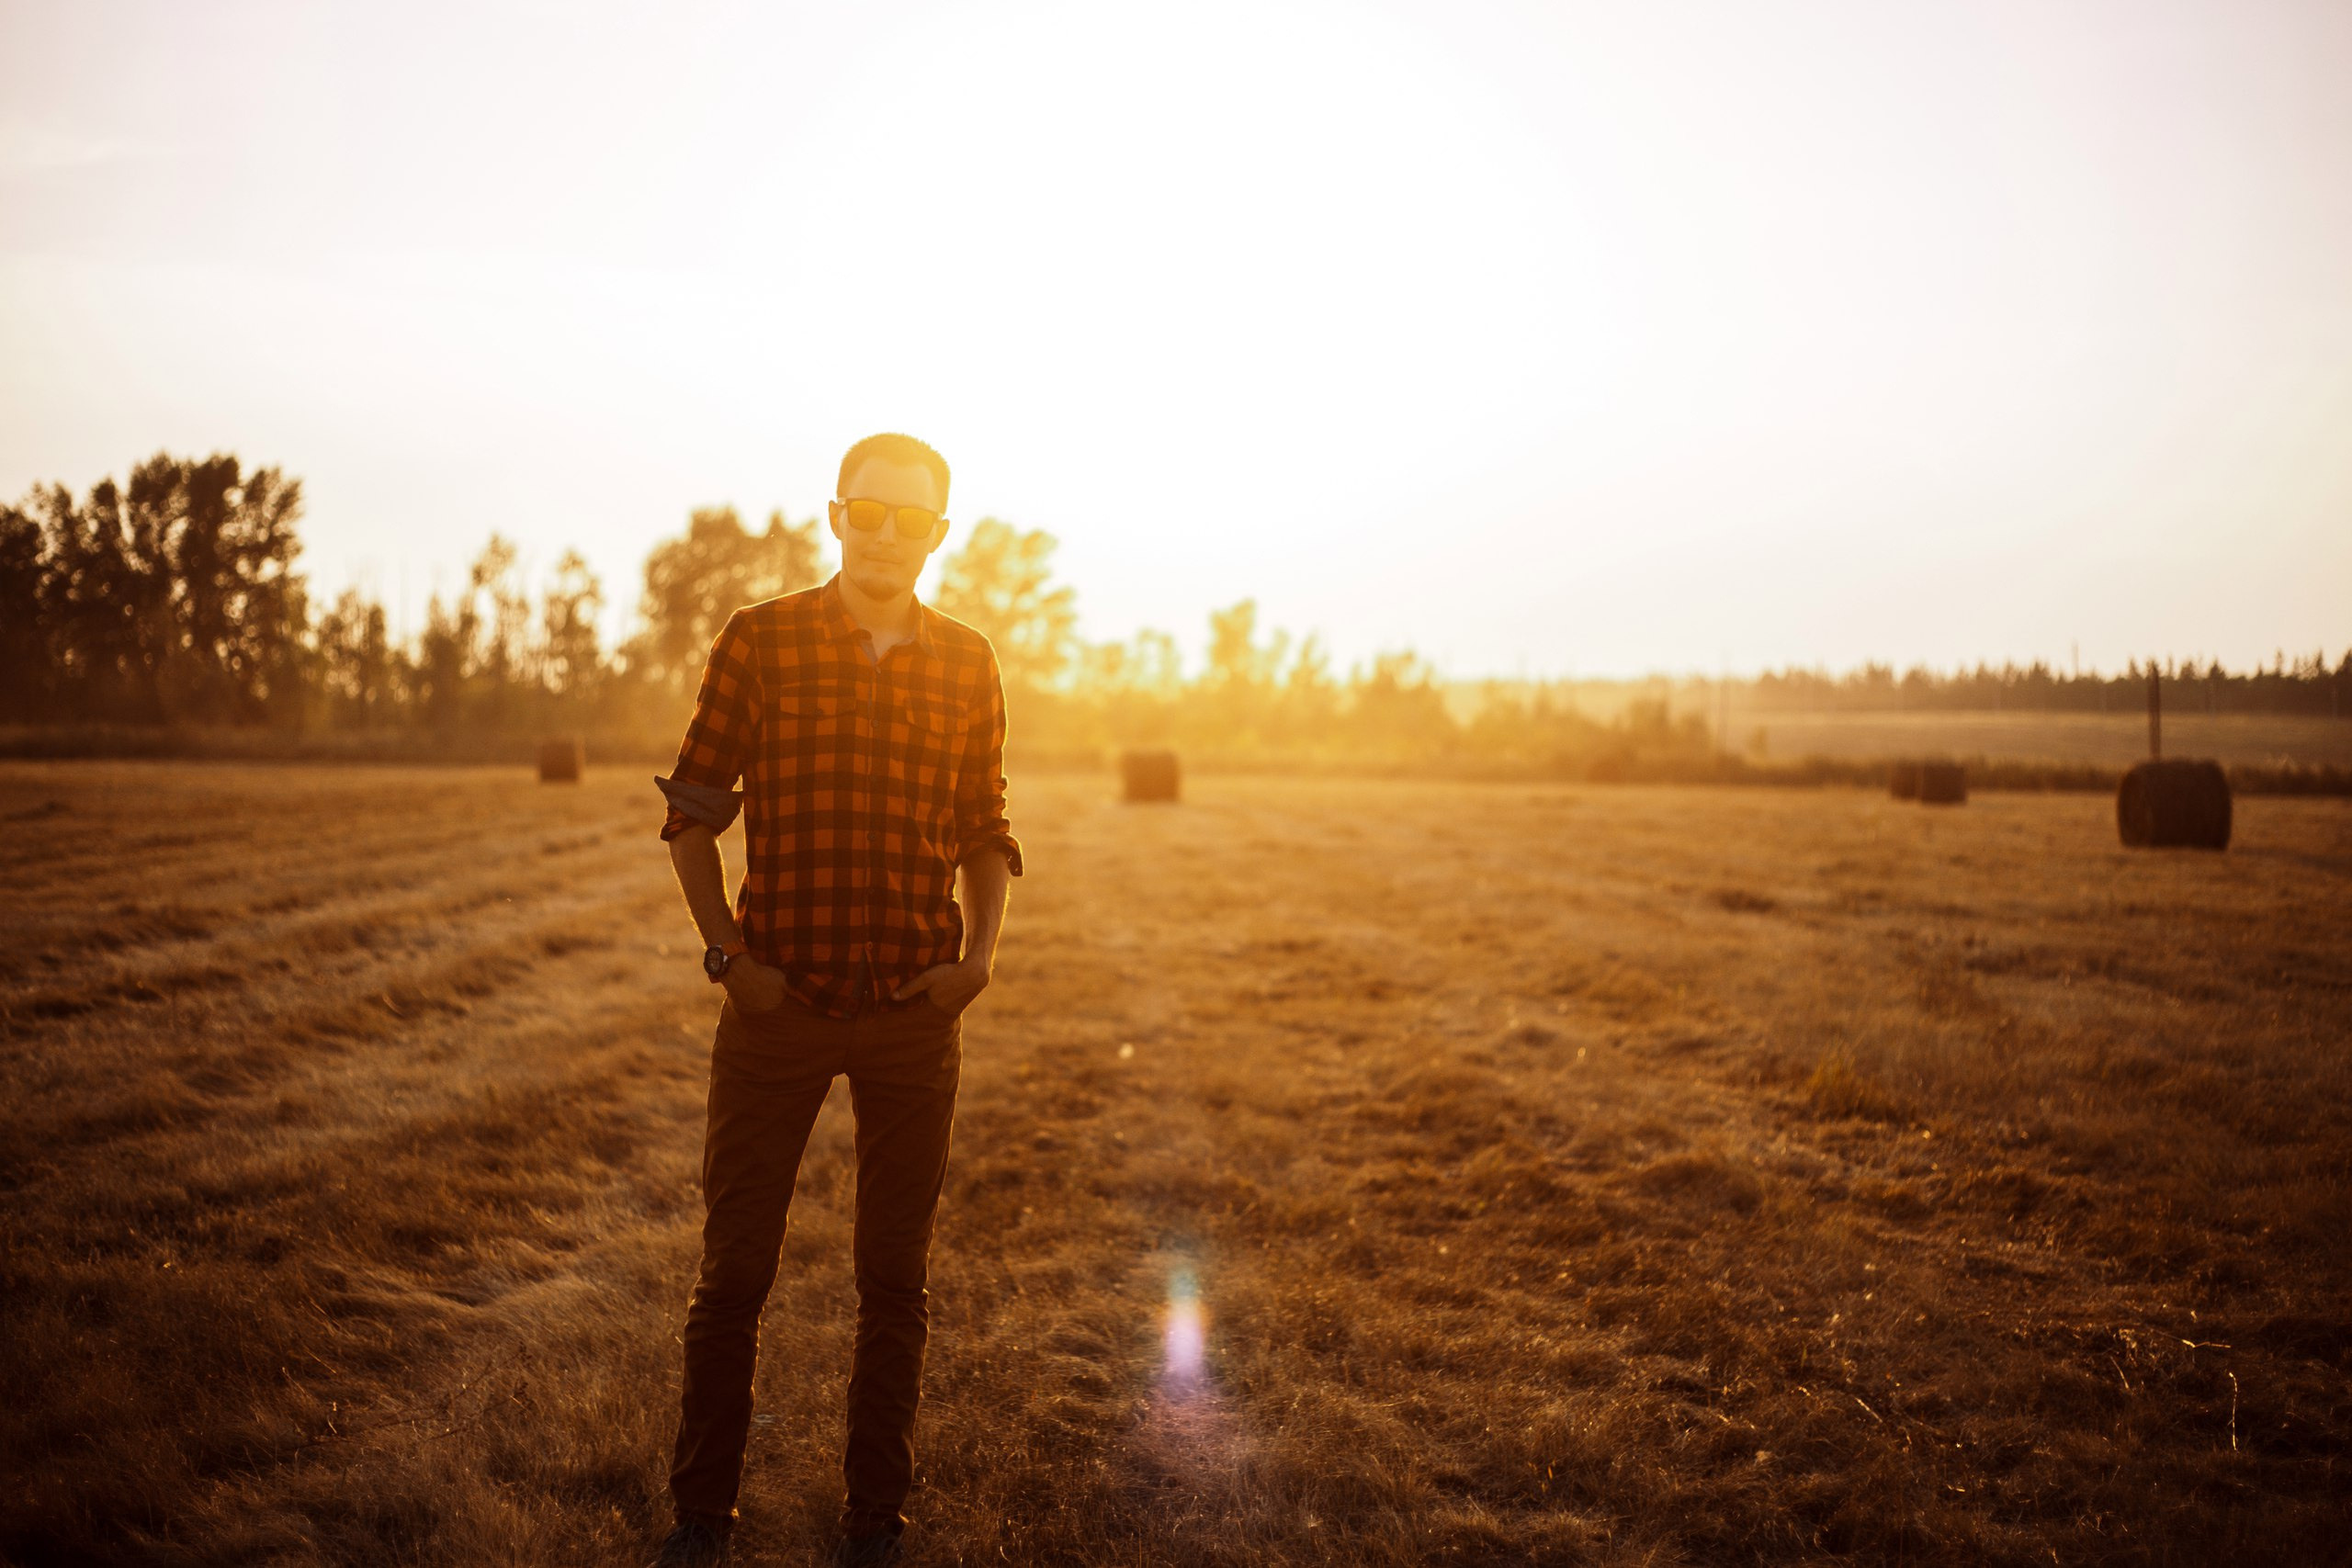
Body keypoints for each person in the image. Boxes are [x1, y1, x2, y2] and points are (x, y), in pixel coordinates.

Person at [647, 432, 1021, 1567]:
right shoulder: (759, 641)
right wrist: (728, 960)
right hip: (780, 1009)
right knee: (735, 1275)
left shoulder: (968, 662)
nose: (886, 532)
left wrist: (979, 961)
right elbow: (694, 811)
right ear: (836, 514)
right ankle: (702, 1519)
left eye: (911, 517)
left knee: (893, 1283)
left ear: (937, 533)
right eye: (869, 510)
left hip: (914, 1013)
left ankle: (874, 1522)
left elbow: (985, 826)